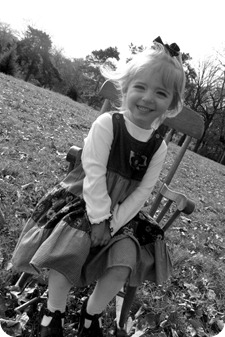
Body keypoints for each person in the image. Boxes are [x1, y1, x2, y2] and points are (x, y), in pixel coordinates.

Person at [11, 36, 186, 337]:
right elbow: (92, 174)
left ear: (171, 103)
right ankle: (54, 309)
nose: (147, 98)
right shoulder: (108, 123)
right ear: (126, 87)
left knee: (124, 260)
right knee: (69, 245)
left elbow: (143, 191)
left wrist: (113, 224)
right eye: (140, 87)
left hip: (123, 215)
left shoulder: (158, 147)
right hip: (86, 201)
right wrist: (99, 220)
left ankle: (90, 314)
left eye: (160, 92)